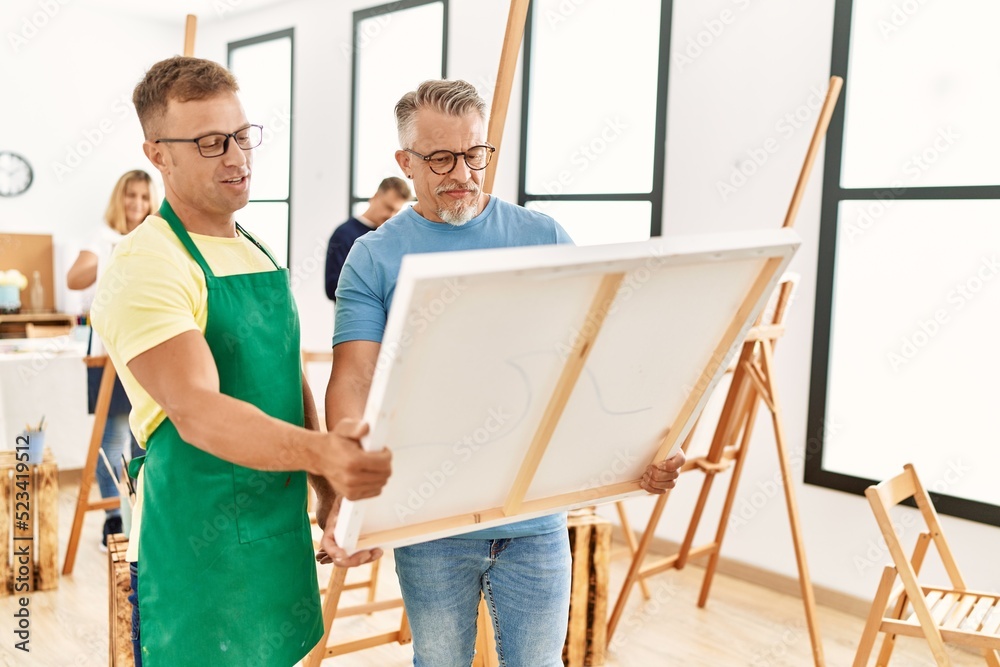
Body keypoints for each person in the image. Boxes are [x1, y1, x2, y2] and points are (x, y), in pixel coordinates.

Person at [322, 79, 686, 666]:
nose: (462, 172)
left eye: (476, 154)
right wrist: (346, 477)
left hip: (534, 515)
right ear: (405, 162)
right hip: (429, 519)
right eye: (441, 158)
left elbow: (596, 364)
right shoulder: (373, 256)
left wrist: (637, 451)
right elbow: (354, 380)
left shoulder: (541, 237)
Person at [90, 56, 391, 667]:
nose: (237, 156)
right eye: (209, 142)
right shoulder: (147, 263)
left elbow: (284, 374)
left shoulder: (253, 246)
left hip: (277, 536)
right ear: (158, 154)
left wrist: (326, 484)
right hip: (199, 554)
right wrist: (321, 453)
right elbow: (197, 411)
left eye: (242, 135)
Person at [67, 169, 156, 549]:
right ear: (119, 198)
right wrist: (113, 253)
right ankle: (113, 517)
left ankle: (143, 514)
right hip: (107, 353)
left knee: (145, 436)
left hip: (145, 348)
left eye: (143, 197)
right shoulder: (101, 238)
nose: (136, 204)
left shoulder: (157, 236)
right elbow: (74, 279)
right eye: (130, 195)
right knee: (111, 437)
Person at [324, 176, 410, 300]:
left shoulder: (392, 236)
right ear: (375, 197)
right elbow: (331, 287)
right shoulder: (343, 234)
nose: (390, 216)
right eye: (388, 207)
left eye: (396, 211)